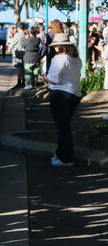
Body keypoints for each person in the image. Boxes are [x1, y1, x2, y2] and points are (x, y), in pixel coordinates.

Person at [44, 33, 83, 166]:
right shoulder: (76, 59)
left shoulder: (59, 58)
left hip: (60, 94)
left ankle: (65, 157)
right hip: (74, 94)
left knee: (62, 127)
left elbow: (54, 80)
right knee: (64, 126)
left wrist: (44, 77)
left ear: (60, 46)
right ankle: (61, 153)